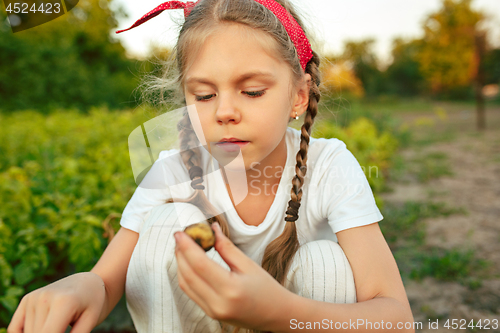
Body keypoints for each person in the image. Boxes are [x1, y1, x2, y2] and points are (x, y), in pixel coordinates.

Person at [8, 0, 416, 332]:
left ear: (299, 96)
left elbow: (396, 317)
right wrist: (83, 287)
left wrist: (281, 313)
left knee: (324, 262)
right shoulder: (174, 169)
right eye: (203, 95)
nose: (224, 112)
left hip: (301, 321)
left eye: (252, 91)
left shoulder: (329, 166)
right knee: (169, 223)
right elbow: (106, 280)